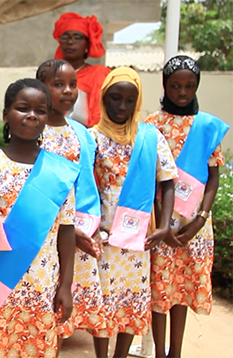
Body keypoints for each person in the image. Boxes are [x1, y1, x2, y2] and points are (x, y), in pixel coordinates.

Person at [0, 78, 78, 358]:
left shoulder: (60, 172)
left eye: (40, 110)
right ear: (6, 114)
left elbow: (66, 231)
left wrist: (65, 285)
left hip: (42, 287)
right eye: (22, 108)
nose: (31, 115)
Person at [89, 67, 178, 358]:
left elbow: (168, 183)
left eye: (130, 100)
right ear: (104, 98)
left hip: (139, 239)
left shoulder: (150, 138)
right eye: (115, 98)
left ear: (138, 102)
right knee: (103, 302)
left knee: (129, 301)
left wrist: (164, 226)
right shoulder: (93, 139)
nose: (121, 107)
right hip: (102, 237)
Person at [144, 56, 229, 358]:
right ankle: (158, 352)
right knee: (159, 290)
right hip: (160, 224)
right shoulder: (151, 125)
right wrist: (162, 225)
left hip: (195, 227)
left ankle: (175, 353)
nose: (182, 91)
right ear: (165, 85)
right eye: (175, 85)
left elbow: (213, 176)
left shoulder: (207, 126)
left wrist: (201, 219)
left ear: (197, 86)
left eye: (189, 86)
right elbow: (146, 177)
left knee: (180, 290)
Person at [36, 59, 104, 345]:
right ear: (41, 88)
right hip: (45, 234)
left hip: (80, 231)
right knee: (43, 305)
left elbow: (88, 184)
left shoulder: (82, 134)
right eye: (58, 84)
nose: (68, 91)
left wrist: (90, 226)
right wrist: (66, 228)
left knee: (65, 308)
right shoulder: (34, 131)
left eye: (73, 85)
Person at [53, 12, 111, 127]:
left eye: (77, 37)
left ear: (87, 44)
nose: (70, 42)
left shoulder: (98, 73)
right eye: (65, 37)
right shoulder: (51, 74)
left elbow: (99, 117)